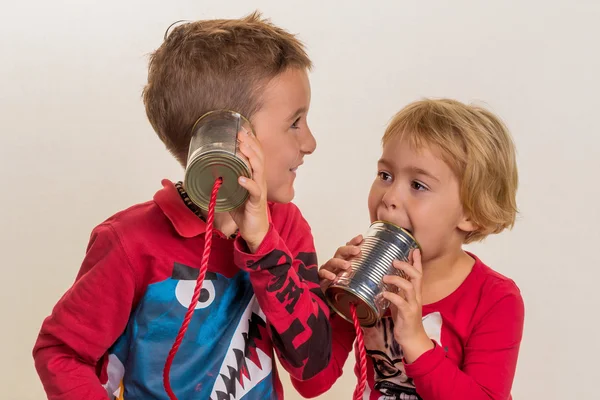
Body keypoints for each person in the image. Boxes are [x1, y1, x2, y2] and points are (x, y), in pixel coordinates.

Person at [33, 12, 331, 400]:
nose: (310, 142)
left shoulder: (286, 227)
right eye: (295, 122)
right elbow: (61, 352)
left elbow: (314, 370)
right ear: (228, 138)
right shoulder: (129, 243)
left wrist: (263, 245)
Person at [296, 98, 524, 400]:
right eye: (385, 175)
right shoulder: (365, 276)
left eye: (418, 185)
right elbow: (312, 383)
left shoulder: (496, 300)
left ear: (471, 213)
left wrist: (416, 341)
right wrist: (326, 307)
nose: (389, 196)